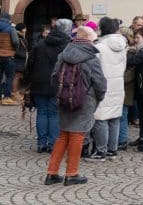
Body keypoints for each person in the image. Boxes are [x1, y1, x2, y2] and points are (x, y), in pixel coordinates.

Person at [44, 26, 106, 186]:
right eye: (94, 38)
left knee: (63, 135)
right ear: (88, 39)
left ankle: (52, 173)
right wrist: (97, 98)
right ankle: (71, 174)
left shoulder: (62, 55)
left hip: (64, 100)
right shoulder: (91, 58)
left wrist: (63, 93)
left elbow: (53, 78)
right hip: (84, 101)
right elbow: (100, 84)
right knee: (77, 136)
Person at [26, 19, 71, 153]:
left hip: (39, 82)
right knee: (53, 114)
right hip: (58, 83)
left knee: (42, 113)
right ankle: (52, 144)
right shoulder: (67, 46)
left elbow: (29, 65)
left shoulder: (40, 44)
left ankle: (41, 143)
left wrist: (30, 80)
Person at [88, 17, 125, 161]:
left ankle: (101, 151)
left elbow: (95, 69)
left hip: (103, 85)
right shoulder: (122, 45)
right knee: (114, 118)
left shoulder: (99, 47)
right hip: (117, 84)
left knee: (100, 118)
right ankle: (112, 150)